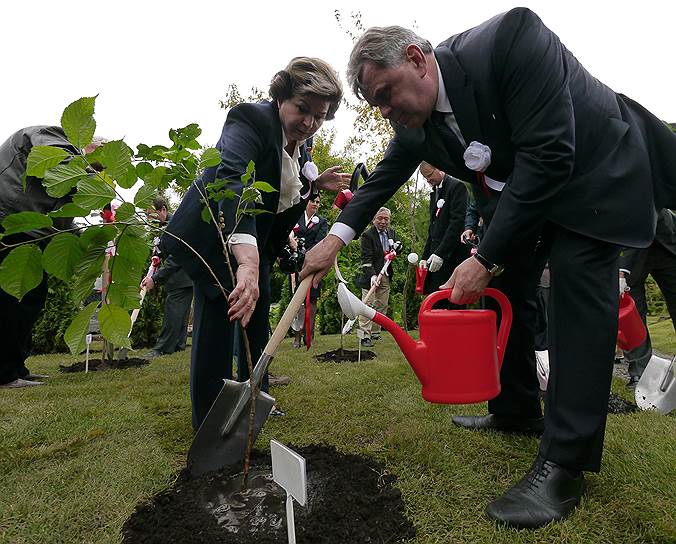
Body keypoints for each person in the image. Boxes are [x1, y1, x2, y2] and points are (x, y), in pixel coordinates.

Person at [300, 9, 676, 528]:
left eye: (386, 94)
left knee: (573, 294)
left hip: (596, 171)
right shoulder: (416, 125)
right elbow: (380, 181)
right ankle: (516, 410)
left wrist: (484, 257)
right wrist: (334, 241)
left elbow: (548, 154)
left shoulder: (511, 40)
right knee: (513, 287)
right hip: (533, 200)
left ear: (417, 59)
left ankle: (564, 464)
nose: (386, 111)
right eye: (376, 104)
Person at [162, 57, 348, 429]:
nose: (310, 123)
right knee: (218, 322)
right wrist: (245, 261)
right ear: (281, 97)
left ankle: (253, 398)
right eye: (303, 110)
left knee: (258, 322)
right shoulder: (250, 120)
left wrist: (314, 185)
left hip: (256, 250)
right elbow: (234, 181)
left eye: (320, 116)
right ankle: (211, 423)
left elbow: (281, 195)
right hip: (214, 238)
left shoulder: (301, 148)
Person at [0, 126, 103, 388]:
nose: (98, 170)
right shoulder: (57, 137)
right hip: (10, 221)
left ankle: (16, 368)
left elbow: (62, 218)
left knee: (30, 298)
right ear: (87, 144)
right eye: (99, 160)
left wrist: (87, 237)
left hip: (31, 232)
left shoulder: (69, 178)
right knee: (13, 300)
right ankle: (5, 373)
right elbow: (55, 161)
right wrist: (89, 174)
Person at [619, 208, 676, 387]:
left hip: (666, 243)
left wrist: (622, 270)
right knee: (632, 310)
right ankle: (641, 372)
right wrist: (621, 271)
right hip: (632, 250)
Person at [141, 197, 194, 359]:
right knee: (180, 314)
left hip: (181, 277)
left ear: (163, 210)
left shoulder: (173, 226)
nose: (150, 218)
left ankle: (161, 348)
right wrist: (151, 272)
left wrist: (155, 279)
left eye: (152, 214)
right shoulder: (163, 227)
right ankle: (178, 345)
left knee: (173, 313)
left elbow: (175, 258)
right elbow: (159, 254)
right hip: (180, 279)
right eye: (147, 216)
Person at [418, 162, 469, 296]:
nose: (428, 180)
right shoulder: (434, 192)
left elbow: (456, 224)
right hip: (435, 257)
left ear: (439, 168)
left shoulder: (457, 187)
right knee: (434, 300)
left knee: (449, 302)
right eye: (425, 178)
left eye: (429, 175)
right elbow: (433, 228)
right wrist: (425, 256)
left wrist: (440, 253)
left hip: (452, 257)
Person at [356, 207, 399, 347]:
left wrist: (398, 249)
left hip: (386, 274)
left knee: (382, 304)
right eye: (380, 218)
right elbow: (366, 258)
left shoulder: (391, 232)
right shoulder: (367, 235)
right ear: (374, 219)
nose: (383, 221)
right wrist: (373, 275)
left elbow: (396, 249)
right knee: (366, 305)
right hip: (371, 275)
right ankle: (364, 335)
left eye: (386, 219)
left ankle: (375, 332)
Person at [289, 192, 328, 348]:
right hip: (295, 267)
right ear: (306, 202)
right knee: (297, 302)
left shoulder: (322, 222)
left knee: (312, 301)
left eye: (318, 202)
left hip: (313, 266)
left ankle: (309, 336)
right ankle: (297, 337)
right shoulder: (295, 218)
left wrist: (306, 255)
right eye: (313, 201)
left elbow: (321, 243)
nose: (316, 204)